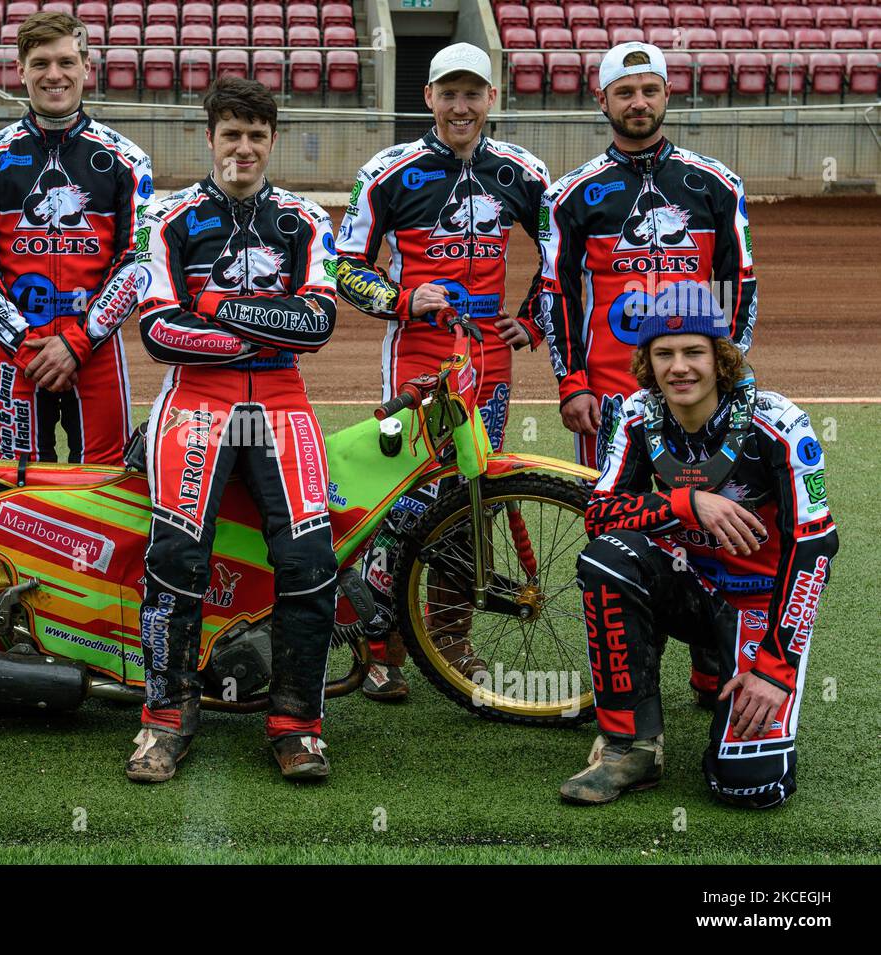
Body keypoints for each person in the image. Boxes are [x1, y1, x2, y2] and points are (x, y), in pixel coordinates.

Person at [125, 77, 339, 783]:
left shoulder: (307, 218)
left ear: (271, 141)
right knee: (176, 559)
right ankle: (165, 717)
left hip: (283, 406)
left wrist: (213, 305)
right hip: (194, 404)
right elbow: (158, 332)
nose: (242, 148)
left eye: (255, 135)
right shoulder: (167, 217)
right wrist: (260, 333)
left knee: (310, 563)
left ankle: (296, 724)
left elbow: (318, 325)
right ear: (210, 139)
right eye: (230, 134)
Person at [560, 282, 837, 808]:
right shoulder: (639, 414)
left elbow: (816, 547)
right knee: (607, 558)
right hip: (690, 583)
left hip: (758, 601)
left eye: (693, 352)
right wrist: (686, 505)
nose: (679, 367)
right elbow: (599, 515)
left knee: (751, 787)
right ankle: (631, 746)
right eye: (663, 354)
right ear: (647, 361)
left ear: (721, 359)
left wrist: (775, 670)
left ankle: (720, 665)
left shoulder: (778, 423)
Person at [335, 42, 550, 700]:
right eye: (448, 93)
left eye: (473, 93)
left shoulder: (524, 171)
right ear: (428, 98)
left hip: (489, 357)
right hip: (419, 352)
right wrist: (401, 300)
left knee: (473, 499)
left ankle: (450, 637)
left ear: (492, 99)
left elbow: (565, 256)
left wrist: (534, 318)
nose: (461, 106)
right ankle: (381, 646)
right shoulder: (388, 169)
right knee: (402, 498)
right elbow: (343, 266)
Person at [531, 41, 757, 474]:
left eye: (649, 91)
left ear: (668, 93)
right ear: (602, 100)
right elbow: (557, 295)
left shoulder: (719, 183)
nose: (639, 103)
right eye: (625, 92)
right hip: (607, 392)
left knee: (701, 511)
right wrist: (572, 384)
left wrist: (726, 365)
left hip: (694, 379)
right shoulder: (566, 196)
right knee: (612, 515)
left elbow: (737, 280)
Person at [0, 10, 152, 465]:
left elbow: (137, 259)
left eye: (66, 61)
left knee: (107, 484)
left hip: (96, 349)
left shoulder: (128, 159)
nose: (54, 74)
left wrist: (78, 343)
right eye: (40, 63)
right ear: (20, 70)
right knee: (17, 486)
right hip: (17, 352)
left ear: (87, 68)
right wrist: (24, 343)